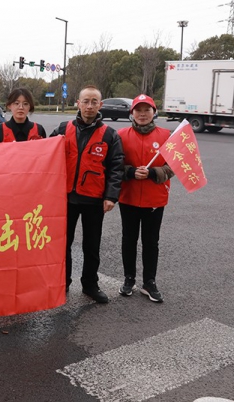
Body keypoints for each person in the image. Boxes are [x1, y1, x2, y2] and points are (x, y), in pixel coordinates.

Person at [49, 85, 124, 303]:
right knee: (63, 244)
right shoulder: (63, 129)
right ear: (78, 103)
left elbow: (116, 167)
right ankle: (63, 282)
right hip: (66, 198)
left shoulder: (109, 135)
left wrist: (111, 196)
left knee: (91, 246)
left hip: (94, 199)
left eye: (94, 102)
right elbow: (45, 153)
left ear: (100, 105)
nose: (89, 106)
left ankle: (90, 284)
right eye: (85, 101)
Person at [117, 94, 174, 303]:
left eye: (146, 110)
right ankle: (129, 279)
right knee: (128, 239)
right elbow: (114, 165)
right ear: (131, 113)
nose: (142, 114)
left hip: (155, 199)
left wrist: (152, 173)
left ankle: (149, 282)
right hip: (129, 197)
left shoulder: (167, 135)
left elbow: (173, 166)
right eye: (138, 110)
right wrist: (131, 172)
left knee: (151, 242)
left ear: (154, 112)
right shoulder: (121, 135)